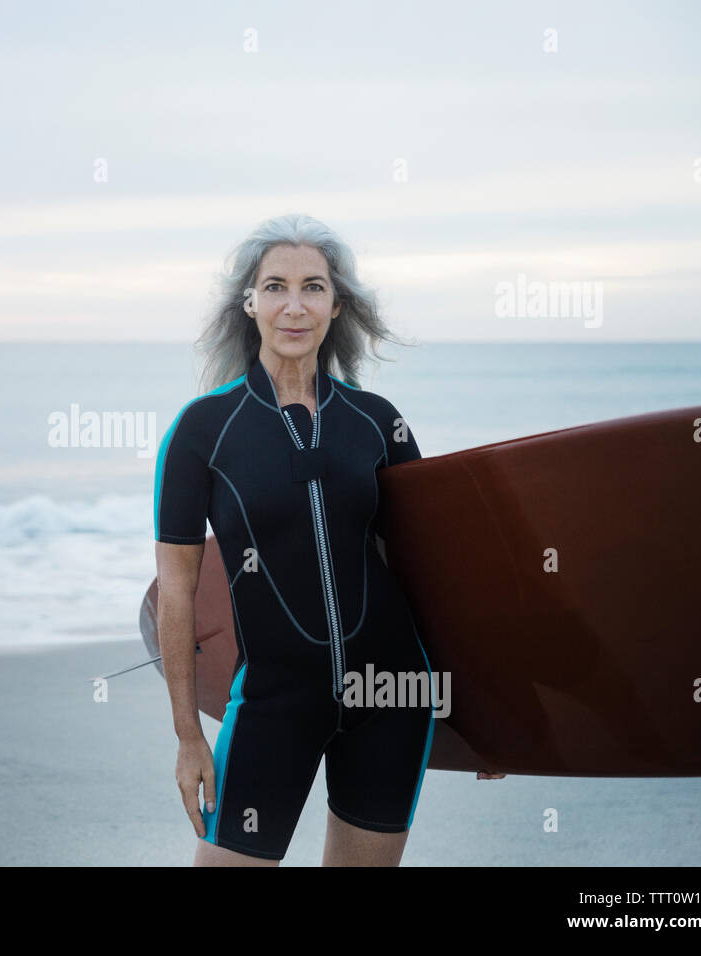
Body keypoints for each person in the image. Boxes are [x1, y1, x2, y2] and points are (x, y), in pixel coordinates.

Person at [153, 213, 503, 867]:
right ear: (250, 302)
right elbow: (177, 589)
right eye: (276, 286)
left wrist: (480, 719)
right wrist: (187, 738)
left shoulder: (378, 424)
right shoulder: (203, 432)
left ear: (336, 304)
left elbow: (427, 571)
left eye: (313, 287)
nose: (295, 305)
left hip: (391, 699)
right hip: (273, 702)